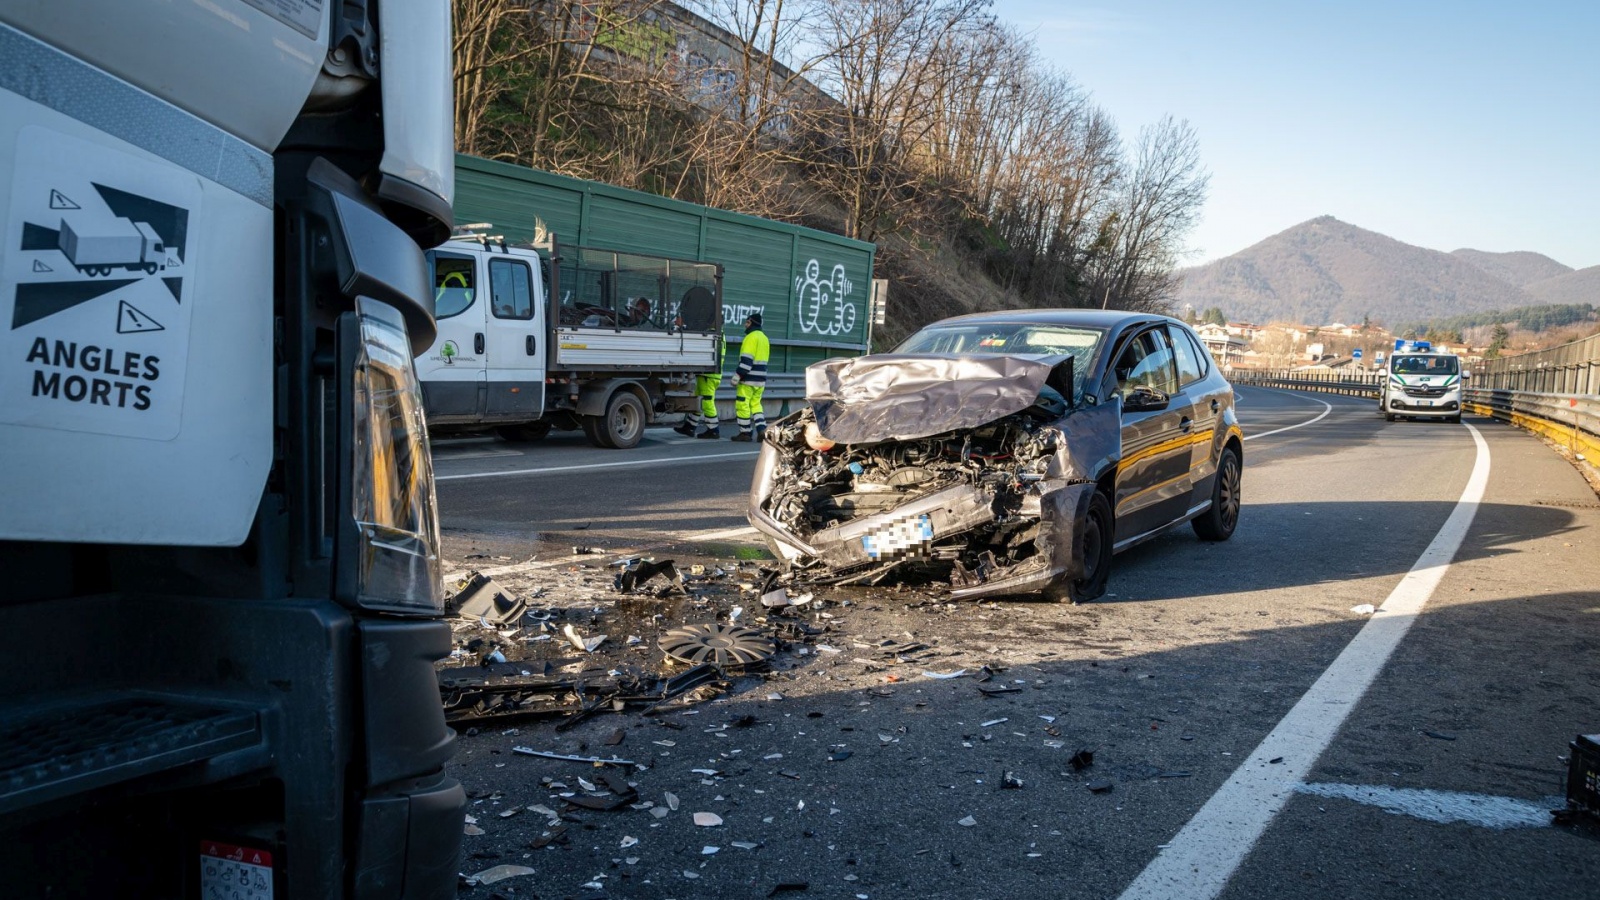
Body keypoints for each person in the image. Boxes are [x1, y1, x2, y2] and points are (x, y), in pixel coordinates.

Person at [675, 315, 724, 438]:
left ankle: (713, 430)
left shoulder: (712, 334)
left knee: (707, 403)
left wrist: (682, 327)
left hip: (709, 376)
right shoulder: (720, 334)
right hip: (708, 376)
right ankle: (690, 426)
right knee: (697, 400)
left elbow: (696, 339)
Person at [730, 312, 769, 442]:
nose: (745, 325)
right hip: (761, 379)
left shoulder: (750, 338)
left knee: (742, 405)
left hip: (748, 379)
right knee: (756, 404)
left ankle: (745, 432)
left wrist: (738, 375)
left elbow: (747, 361)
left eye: (747, 322)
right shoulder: (764, 338)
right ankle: (761, 429)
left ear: (751, 323)